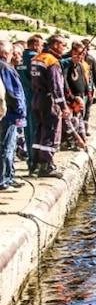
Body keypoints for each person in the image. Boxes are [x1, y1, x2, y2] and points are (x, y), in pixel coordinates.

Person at [30, 34, 68, 178]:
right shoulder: (52, 61)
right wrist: (63, 106)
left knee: (39, 130)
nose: (64, 48)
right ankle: (47, 165)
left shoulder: (36, 59)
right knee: (51, 131)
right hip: (48, 100)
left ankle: (35, 163)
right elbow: (56, 86)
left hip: (36, 98)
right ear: (55, 44)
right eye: (62, 45)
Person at [0, 40, 27, 190]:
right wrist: (20, 109)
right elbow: (12, 92)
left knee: (10, 147)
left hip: (8, 113)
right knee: (7, 148)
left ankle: (9, 177)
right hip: (10, 114)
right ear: (6, 53)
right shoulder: (5, 67)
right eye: (12, 53)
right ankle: (4, 180)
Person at [19, 35, 42, 175]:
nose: (41, 48)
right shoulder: (34, 58)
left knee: (27, 132)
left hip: (24, 98)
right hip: (34, 98)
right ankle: (35, 162)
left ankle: (30, 162)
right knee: (36, 131)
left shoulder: (21, 58)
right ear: (34, 45)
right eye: (40, 45)